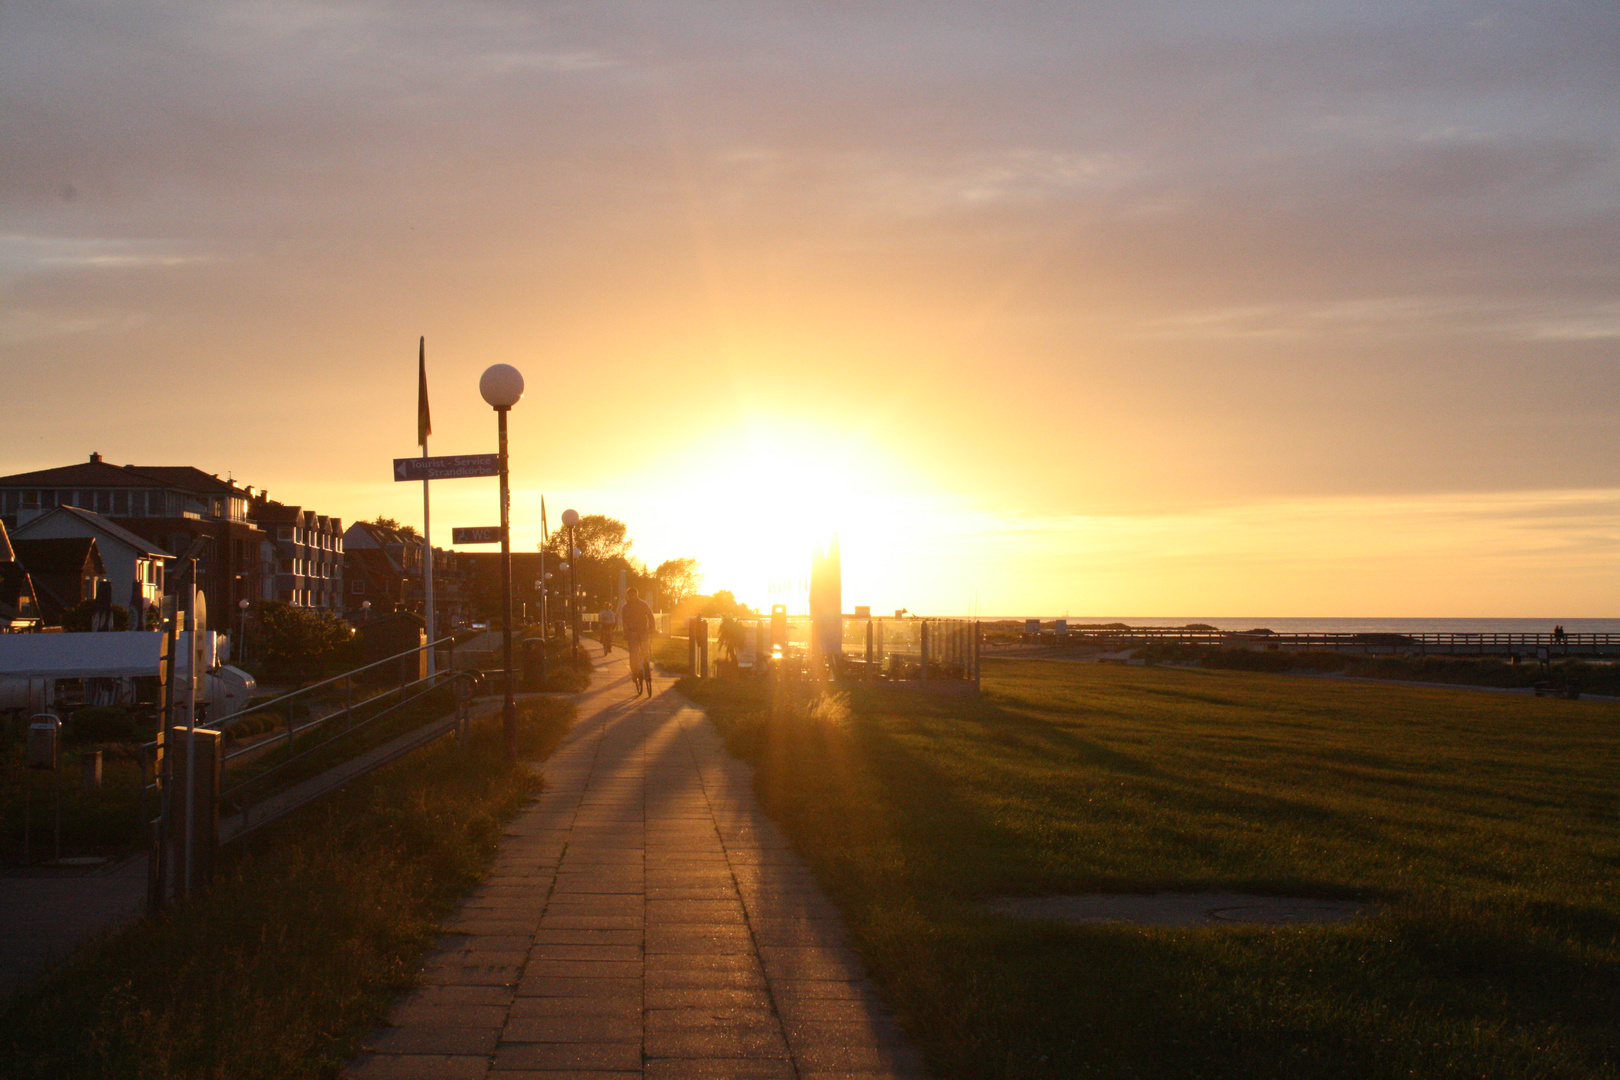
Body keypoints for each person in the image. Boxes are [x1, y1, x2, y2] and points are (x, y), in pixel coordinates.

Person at [621, 587, 655, 696]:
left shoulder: (643, 604)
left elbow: (650, 616)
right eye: (630, 595)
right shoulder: (625, 608)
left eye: (633, 594)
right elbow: (624, 621)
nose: (632, 597)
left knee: (646, 651)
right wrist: (626, 633)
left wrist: (652, 628)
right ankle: (635, 672)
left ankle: (647, 667)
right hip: (632, 633)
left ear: (637, 594)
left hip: (643, 632)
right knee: (633, 654)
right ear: (628, 596)